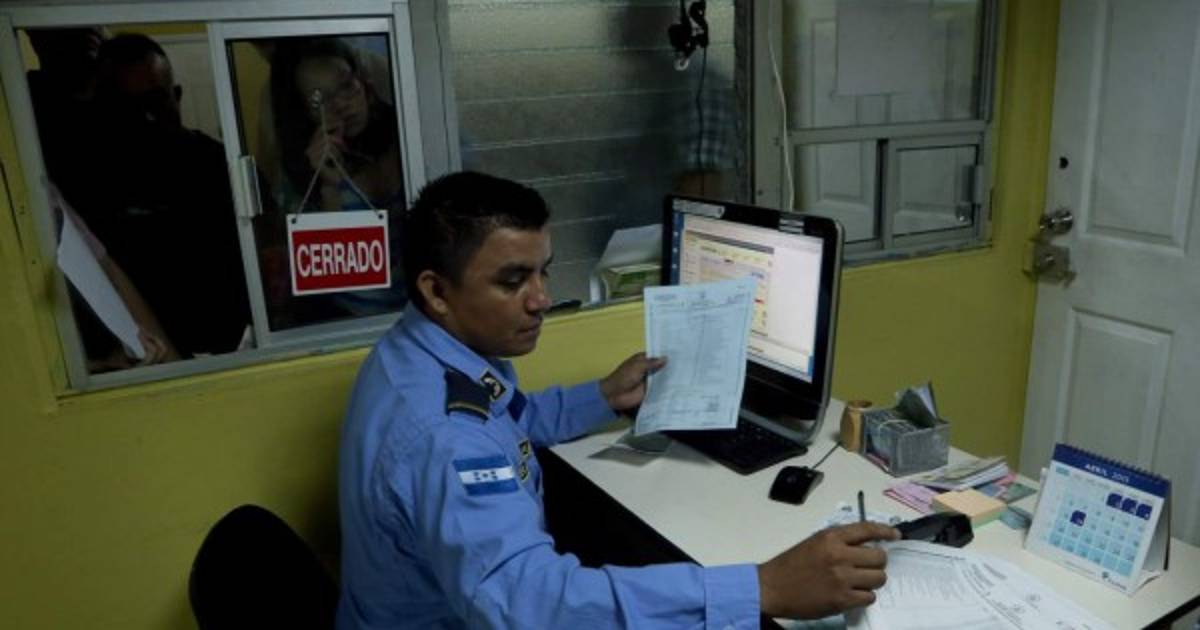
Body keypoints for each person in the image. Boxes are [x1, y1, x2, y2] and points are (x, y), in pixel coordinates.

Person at [338, 171, 898, 629]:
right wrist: (762, 588)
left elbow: (507, 423)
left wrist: (604, 397)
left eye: (543, 273)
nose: (542, 299)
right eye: (513, 281)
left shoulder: (417, 356)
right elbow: (530, 607)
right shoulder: (447, 435)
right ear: (437, 290)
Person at [88, 33, 251, 358]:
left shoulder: (221, 166)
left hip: (238, 351)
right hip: (155, 361)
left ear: (176, 96)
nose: (147, 119)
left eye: (155, 102)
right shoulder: (98, 187)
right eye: (130, 109)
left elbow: (269, 259)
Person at [268, 37, 406, 316]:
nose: (341, 104)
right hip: (355, 320)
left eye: (345, 85)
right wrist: (329, 188)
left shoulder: (405, 133)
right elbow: (329, 276)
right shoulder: (303, 171)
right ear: (303, 111)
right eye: (319, 100)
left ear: (362, 81)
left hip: (421, 312)